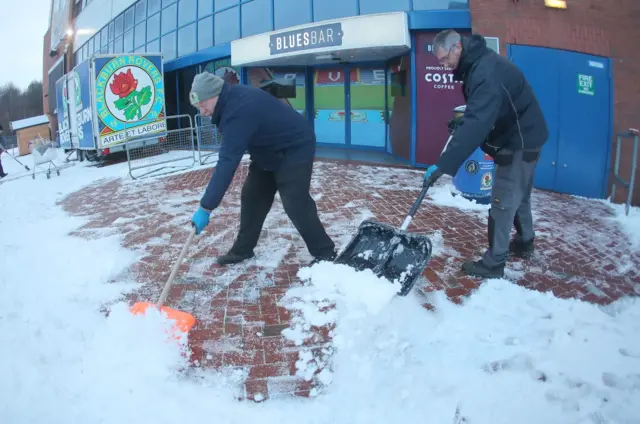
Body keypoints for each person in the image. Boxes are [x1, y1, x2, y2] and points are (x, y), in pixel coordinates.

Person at [423, 29, 549, 278]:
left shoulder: (484, 71)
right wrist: (464, 123)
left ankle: (494, 263)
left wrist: (444, 164)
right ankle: (525, 241)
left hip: (517, 142)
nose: (443, 64)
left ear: (457, 47)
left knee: (502, 201)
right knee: (519, 195)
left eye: (444, 59)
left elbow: (478, 121)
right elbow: (484, 110)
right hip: (527, 137)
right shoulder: (479, 63)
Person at [188, 72, 337, 266]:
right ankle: (243, 250)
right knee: (252, 197)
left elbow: (227, 162)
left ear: (214, 95)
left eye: (202, 104)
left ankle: (325, 253)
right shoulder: (230, 102)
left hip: (295, 146)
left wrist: (206, 207)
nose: (202, 111)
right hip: (267, 151)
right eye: (197, 106)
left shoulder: (237, 110)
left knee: (294, 201)